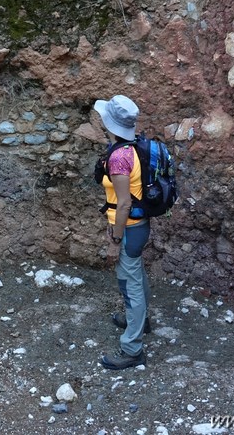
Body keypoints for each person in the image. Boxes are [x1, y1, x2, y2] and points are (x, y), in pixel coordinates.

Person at [93, 95, 152, 370]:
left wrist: (115, 239)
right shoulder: (133, 147)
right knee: (136, 274)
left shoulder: (118, 158)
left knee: (129, 285)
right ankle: (140, 321)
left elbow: (125, 202)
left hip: (128, 229)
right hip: (139, 226)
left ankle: (132, 348)